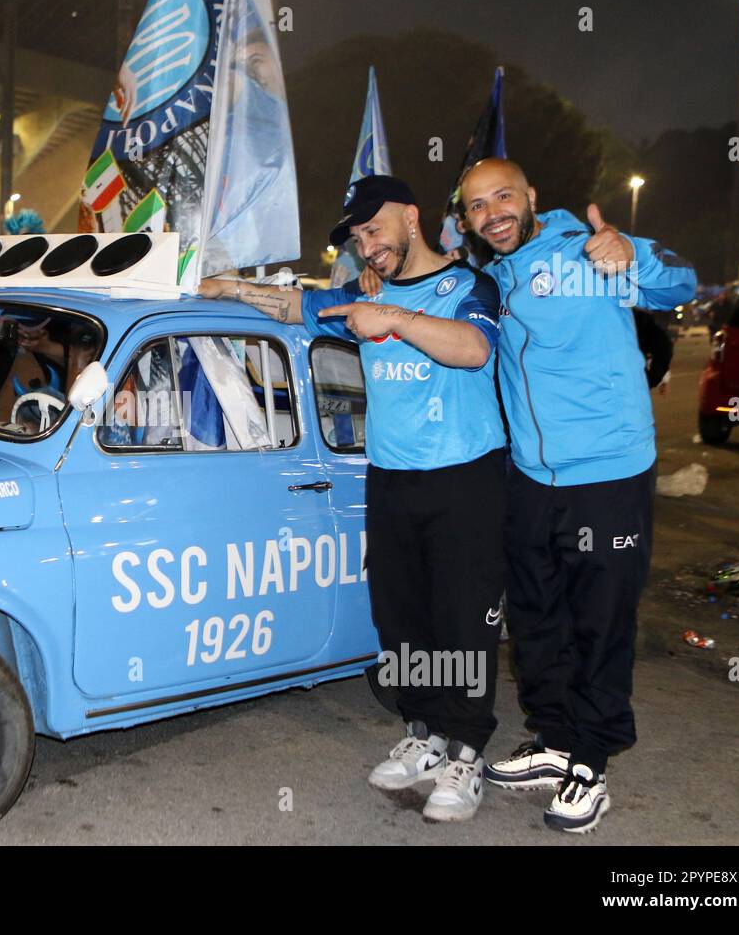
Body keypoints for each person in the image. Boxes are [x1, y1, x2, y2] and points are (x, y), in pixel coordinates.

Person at [198, 175, 507, 822]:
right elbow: (289, 306)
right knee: (402, 618)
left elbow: (475, 350)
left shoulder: (469, 286)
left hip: (465, 480)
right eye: (358, 237)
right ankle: (423, 735)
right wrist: (221, 286)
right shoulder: (364, 291)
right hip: (391, 480)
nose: (367, 246)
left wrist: (394, 316)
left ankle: (466, 753)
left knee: (462, 620)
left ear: (411, 218)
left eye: (374, 230)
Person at [451, 158, 696, 832]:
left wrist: (633, 256)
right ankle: (555, 739)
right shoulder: (492, 276)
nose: (492, 211)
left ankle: (592, 759)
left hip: (608, 472)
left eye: (504, 196)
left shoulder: (588, 252)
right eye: (477, 205)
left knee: (601, 619)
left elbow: (680, 281)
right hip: (531, 475)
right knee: (535, 615)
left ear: (531, 196)